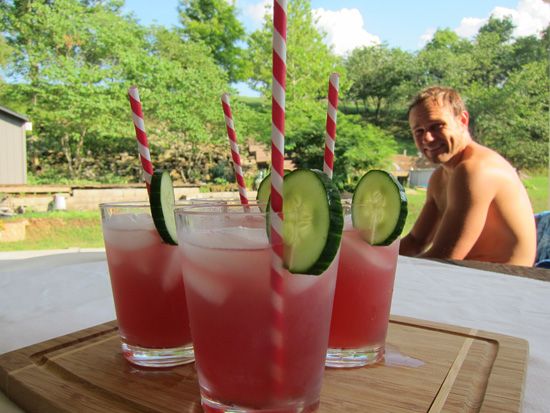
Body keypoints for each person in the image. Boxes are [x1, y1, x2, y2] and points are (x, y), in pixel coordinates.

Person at [399, 86, 536, 266]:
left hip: (506, 284)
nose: (428, 138)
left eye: (437, 126)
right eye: (419, 131)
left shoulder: (476, 170)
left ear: (462, 120)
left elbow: (443, 258)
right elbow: (416, 242)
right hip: (471, 277)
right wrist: (369, 254)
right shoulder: (440, 177)